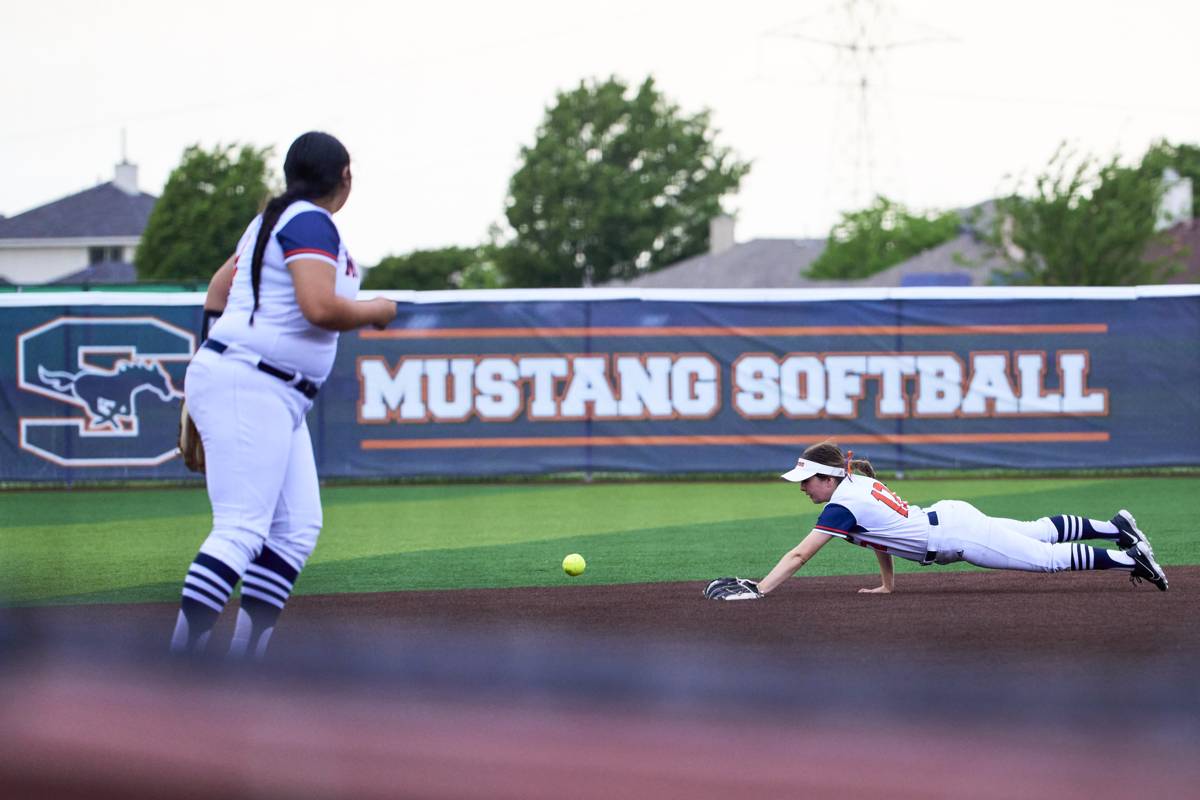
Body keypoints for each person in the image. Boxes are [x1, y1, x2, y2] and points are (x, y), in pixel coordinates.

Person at [170, 131, 397, 658]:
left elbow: (218, 290)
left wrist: (211, 363)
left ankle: (245, 663)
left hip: (266, 388)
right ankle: (177, 667)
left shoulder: (273, 220)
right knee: (241, 529)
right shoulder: (309, 220)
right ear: (345, 177)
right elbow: (319, 308)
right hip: (253, 381)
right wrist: (378, 310)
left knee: (295, 530)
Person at [703, 440, 1169, 600]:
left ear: (828, 477)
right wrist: (888, 585)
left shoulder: (841, 504)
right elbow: (880, 538)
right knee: (1036, 531)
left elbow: (800, 555)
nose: (802, 487)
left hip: (955, 533)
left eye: (807, 480)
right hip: (949, 516)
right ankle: (1116, 528)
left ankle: (1134, 559)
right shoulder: (854, 485)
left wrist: (761, 589)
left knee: (1045, 556)